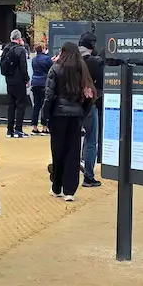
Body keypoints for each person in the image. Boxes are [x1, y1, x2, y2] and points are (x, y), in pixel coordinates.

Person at [41, 42, 94, 201]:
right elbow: (90, 95)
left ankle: (57, 187)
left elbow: (49, 96)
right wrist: (82, 113)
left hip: (58, 116)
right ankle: (70, 190)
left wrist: (45, 116)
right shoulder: (82, 70)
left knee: (58, 152)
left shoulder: (55, 69)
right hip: (76, 116)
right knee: (73, 152)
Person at [78, 33, 105, 188]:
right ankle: (88, 175)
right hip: (88, 105)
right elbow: (101, 86)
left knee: (70, 139)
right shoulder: (94, 62)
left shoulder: (67, 60)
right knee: (91, 139)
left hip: (68, 106)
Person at [0, 32, 30, 137]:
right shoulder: (20, 50)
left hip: (9, 79)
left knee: (11, 105)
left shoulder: (6, 48)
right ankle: (18, 129)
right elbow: (23, 66)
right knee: (21, 105)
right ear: (19, 38)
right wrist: (27, 79)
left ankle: (9, 130)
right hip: (19, 80)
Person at [28, 43, 52, 136]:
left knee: (36, 106)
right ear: (42, 49)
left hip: (35, 83)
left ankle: (34, 127)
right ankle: (44, 127)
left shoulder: (34, 59)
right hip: (44, 83)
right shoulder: (47, 59)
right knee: (44, 106)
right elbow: (51, 68)